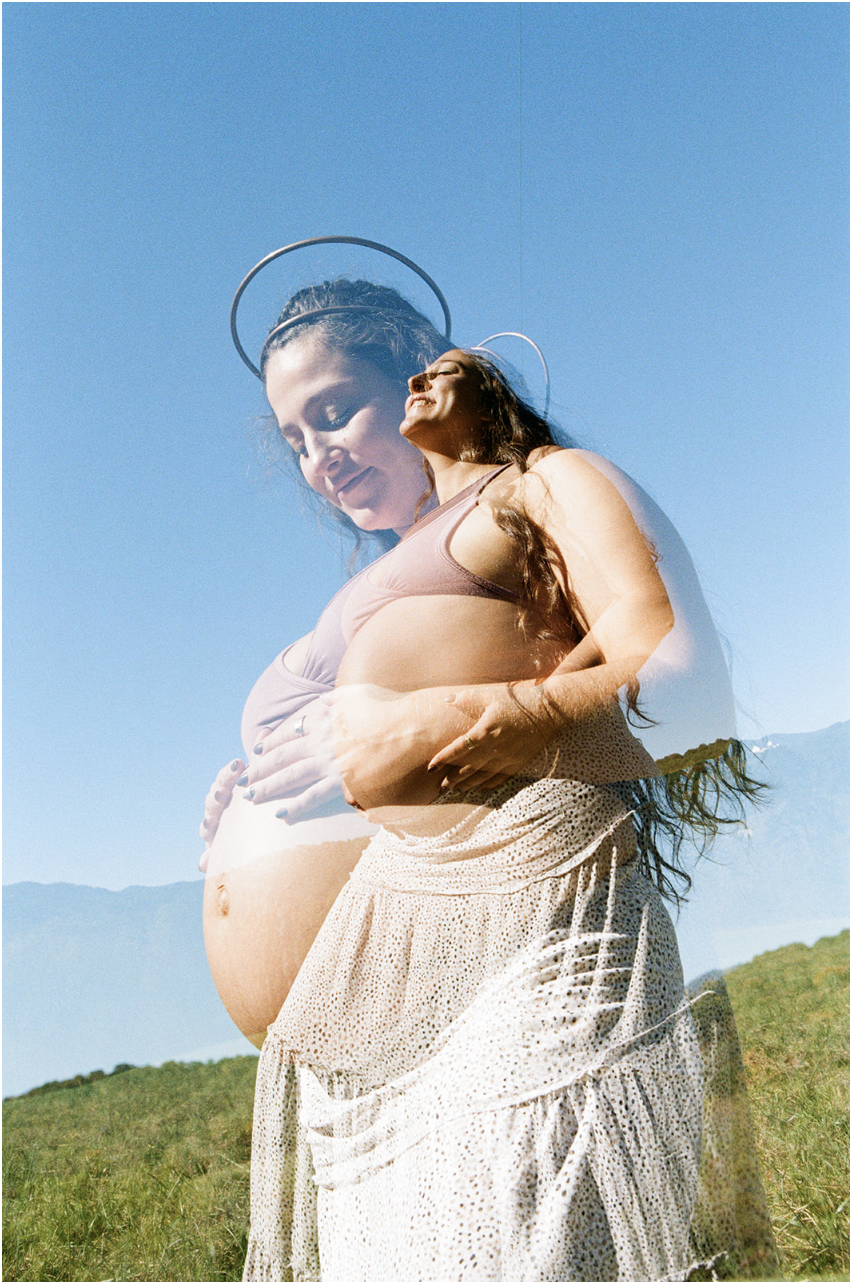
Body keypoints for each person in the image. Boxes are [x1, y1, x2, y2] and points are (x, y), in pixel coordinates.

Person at [242, 351, 778, 1280]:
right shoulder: (401, 565)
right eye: (293, 439)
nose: (424, 383)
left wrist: (465, 716)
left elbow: (685, 684)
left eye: (442, 369)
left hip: (535, 928)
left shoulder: (548, 480)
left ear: (493, 390)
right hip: (393, 993)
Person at [201, 279, 448, 1043]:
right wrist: (249, 807)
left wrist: (395, 743)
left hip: (461, 988)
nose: (319, 461)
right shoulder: (378, 586)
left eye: (335, 413)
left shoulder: (511, 521)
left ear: (423, 383)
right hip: (346, 1040)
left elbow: (634, 700)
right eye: (296, 442)